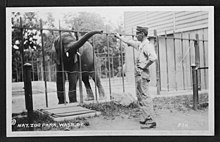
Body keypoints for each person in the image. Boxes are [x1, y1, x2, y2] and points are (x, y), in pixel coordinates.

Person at [114, 26, 157, 129]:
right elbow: (129, 42)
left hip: (143, 75)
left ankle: (151, 120)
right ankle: (145, 117)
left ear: (142, 34)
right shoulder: (140, 45)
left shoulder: (148, 46)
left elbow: (153, 58)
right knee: (140, 96)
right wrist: (119, 37)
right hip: (139, 75)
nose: (136, 36)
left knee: (145, 97)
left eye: (137, 34)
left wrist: (143, 66)